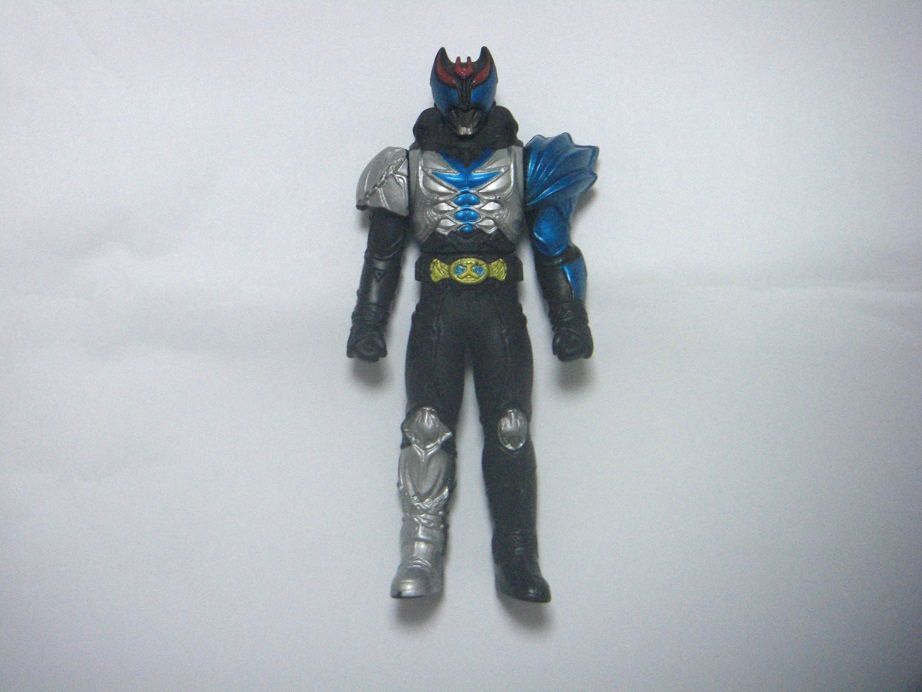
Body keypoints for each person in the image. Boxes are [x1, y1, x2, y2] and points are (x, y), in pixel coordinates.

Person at [348, 47, 597, 603]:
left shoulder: (525, 164)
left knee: (510, 428)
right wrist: (368, 321)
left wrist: (569, 318)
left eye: (472, 99)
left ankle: (517, 556)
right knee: (426, 428)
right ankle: (420, 553)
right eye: (454, 100)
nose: (463, 114)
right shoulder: (402, 165)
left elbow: (553, 246)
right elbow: (382, 256)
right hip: (437, 306)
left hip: (499, 307)